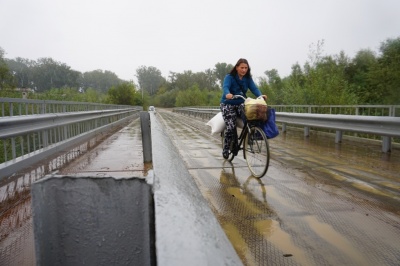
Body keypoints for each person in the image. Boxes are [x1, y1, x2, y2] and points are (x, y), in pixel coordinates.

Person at [220, 58, 266, 159]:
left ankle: (250, 135)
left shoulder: (247, 79)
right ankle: (226, 148)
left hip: (240, 102)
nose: (244, 70)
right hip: (228, 104)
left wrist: (260, 96)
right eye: (242, 68)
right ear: (237, 68)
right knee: (231, 126)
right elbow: (225, 87)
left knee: (251, 117)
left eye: (246, 68)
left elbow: (254, 88)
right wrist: (227, 93)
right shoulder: (229, 77)